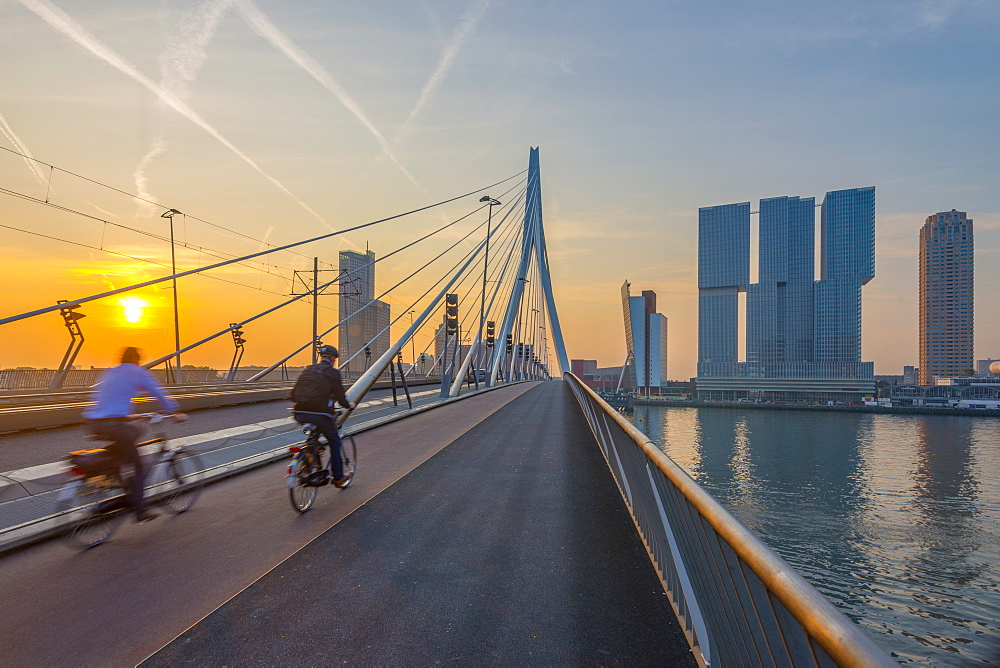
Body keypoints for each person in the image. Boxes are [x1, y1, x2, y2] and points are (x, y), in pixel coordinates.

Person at [82, 347, 185, 522]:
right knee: (139, 465)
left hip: (94, 423)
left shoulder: (111, 372)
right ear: (137, 360)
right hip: (115, 425)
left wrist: (129, 415)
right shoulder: (137, 372)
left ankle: (119, 473)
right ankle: (140, 510)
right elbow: (157, 391)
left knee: (135, 431)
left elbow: (106, 400)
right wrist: (174, 411)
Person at [291, 345, 356, 487]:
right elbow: (340, 396)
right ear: (333, 359)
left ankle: (309, 458)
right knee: (334, 441)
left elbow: (293, 393)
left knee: (314, 437)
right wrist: (349, 405)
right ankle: (338, 478)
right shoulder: (333, 373)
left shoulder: (308, 369)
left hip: (300, 413)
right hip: (321, 414)